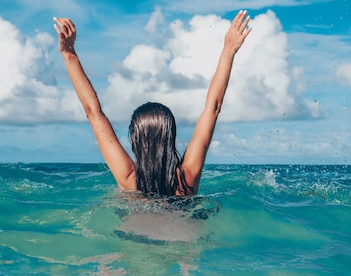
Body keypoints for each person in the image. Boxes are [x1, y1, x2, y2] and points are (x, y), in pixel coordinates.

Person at [54, 10, 251, 197]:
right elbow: (213, 108)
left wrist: (68, 53)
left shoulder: (128, 178)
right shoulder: (187, 179)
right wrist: (229, 50)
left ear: (135, 140)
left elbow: (93, 112)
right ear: (171, 135)